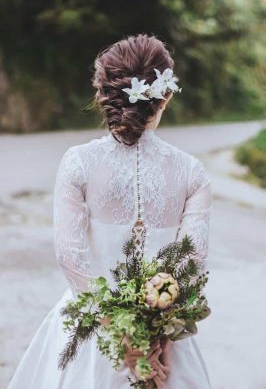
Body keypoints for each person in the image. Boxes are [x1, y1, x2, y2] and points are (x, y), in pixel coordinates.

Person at [8, 33, 212, 389]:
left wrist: (123, 339)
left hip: (90, 334)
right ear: (165, 96)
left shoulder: (78, 163)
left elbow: (70, 256)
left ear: (102, 94)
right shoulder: (191, 172)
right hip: (164, 348)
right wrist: (155, 341)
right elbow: (190, 263)